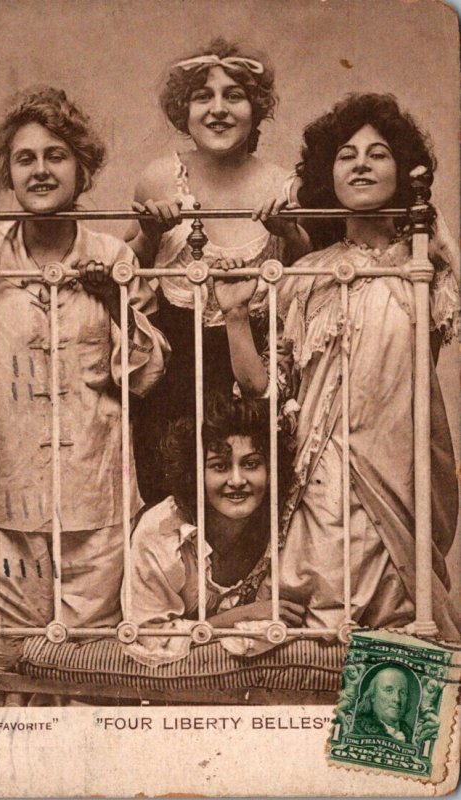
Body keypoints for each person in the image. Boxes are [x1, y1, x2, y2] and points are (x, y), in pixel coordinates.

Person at [215, 93, 460, 637]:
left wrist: (435, 234)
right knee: (319, 629)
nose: (362, 164)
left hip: (401, 470)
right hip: (323, 479)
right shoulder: (307, 274)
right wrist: (234, 315)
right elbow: (263, 388)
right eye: (347, 155)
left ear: (402, 170)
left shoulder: (424, 269)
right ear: (329, 174)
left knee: (401, 627)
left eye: (378, 154)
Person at [0, 86, 169, 673]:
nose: (41, 170)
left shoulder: (110, 253)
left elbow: (148, 378)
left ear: (82, 169)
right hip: (10, 502)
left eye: (56, 155)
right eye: (25, 159)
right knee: (6, 661)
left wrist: (116, 299)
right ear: (6, 173)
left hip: (95, 494)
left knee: (93, 665)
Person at [126, 38, 309, 502]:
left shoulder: (284, 185)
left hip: (253, 382)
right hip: (172, 383)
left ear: (256, 108)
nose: (218, 109)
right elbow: (125, 270)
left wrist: (289, 232)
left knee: (252, 514)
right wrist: (149, 234)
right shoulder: (160, 177)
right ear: (183, 112)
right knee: (168, 511)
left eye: (234, 95)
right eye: (203, 96)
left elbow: (311, 277)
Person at [123, 394, 303, 666]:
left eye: (251, 464)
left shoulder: (282, 525)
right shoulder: (162, 531)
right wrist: (244, 615)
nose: (237, 480)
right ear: (195, 473)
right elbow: (150, 637)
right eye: (219, 466)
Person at [352, 667, 414, 742]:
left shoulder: (411, 734)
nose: (397, 699)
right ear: (373, 695)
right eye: (389, 690)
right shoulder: (356, 728)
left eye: (402, 692)